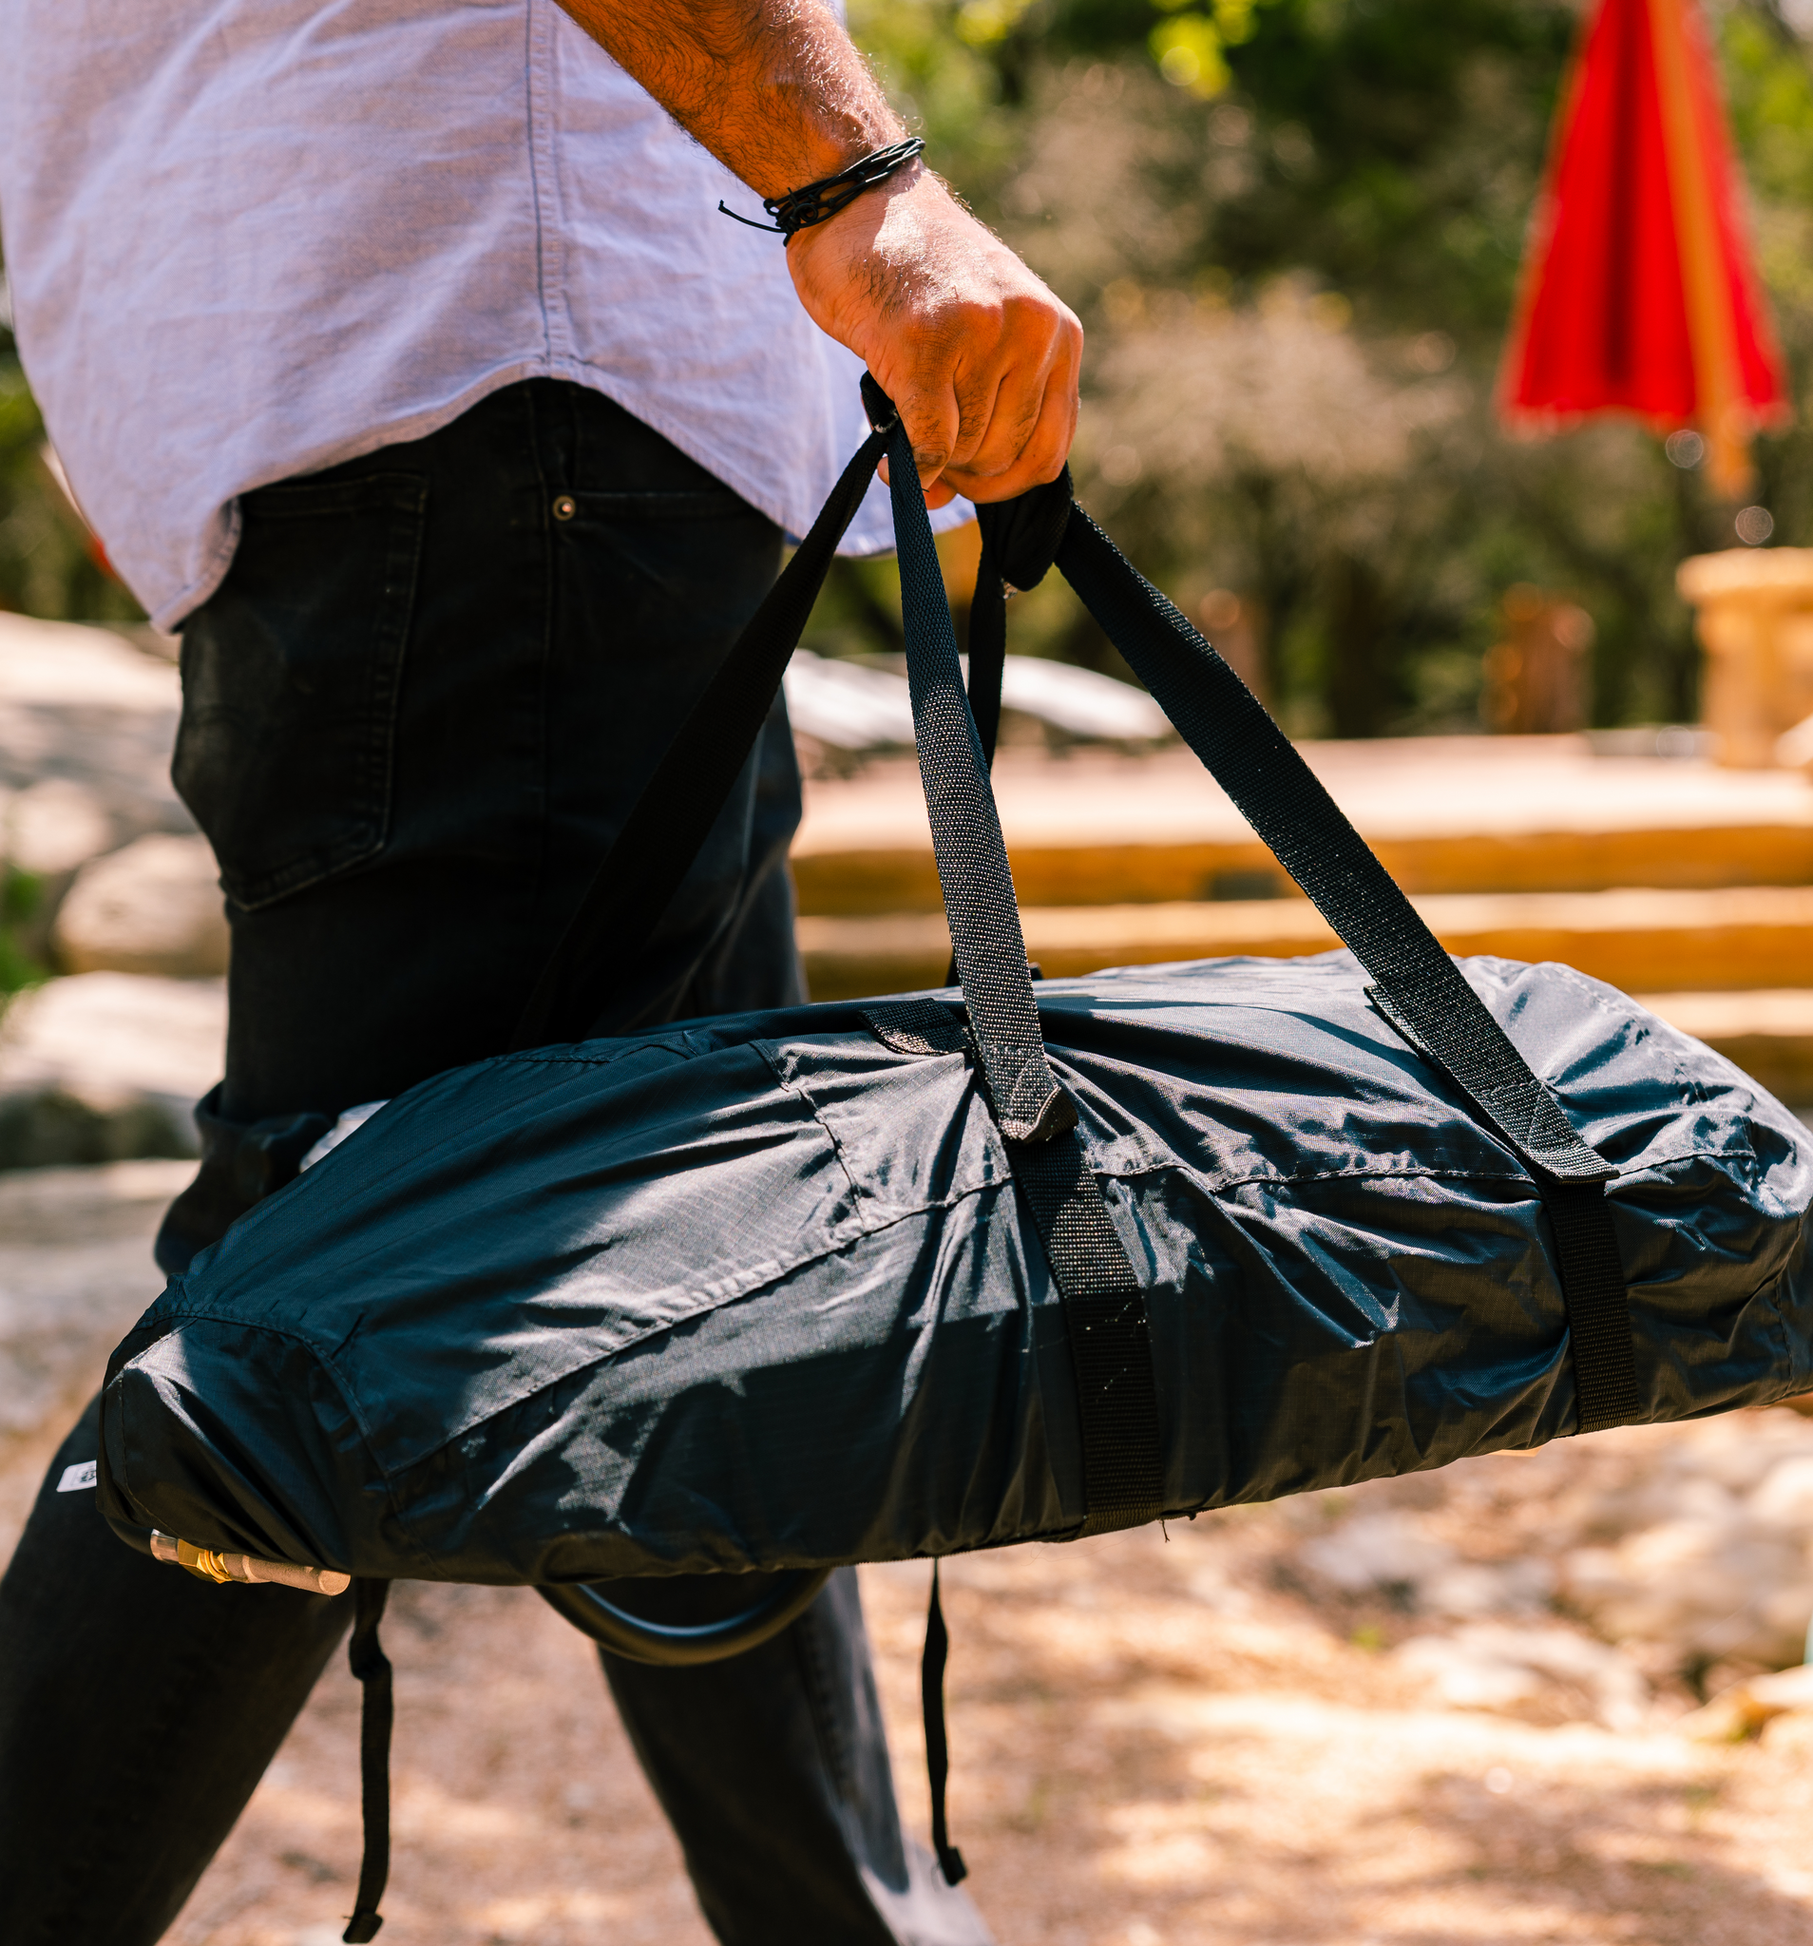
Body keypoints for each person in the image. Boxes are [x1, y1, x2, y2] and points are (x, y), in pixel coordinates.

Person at [0, 0, 1080, 1936]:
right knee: (318, 1303)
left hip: (411, 392)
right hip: (507, 381)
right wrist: (858, 183)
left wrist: (111, 330)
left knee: (725, 1272)